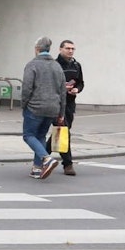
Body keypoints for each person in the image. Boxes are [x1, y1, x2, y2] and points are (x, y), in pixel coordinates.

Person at [21, 36, 66, 179]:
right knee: (40, 135)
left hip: (35, 106)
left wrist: (23, 105)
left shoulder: (32, 65)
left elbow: (27, 88)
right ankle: (37, 168)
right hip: (53, 108)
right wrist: (61, 112)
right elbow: (62, 91)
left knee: (28, 135)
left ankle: (46, 158)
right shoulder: (57, 66)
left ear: (37, 49)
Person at [45, 39, 84, 176]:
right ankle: (68, 164)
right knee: (64, 131)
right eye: (67, 48)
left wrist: (77, 90)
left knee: (60, 132)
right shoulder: (54, 65)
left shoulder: (76, 65)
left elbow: (81, 83)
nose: (70, 51)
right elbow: (49, 84)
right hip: (56, 103)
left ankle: (41, 157)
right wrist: (62, 89)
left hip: (70, 103)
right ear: (60, 49)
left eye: (73, 49)